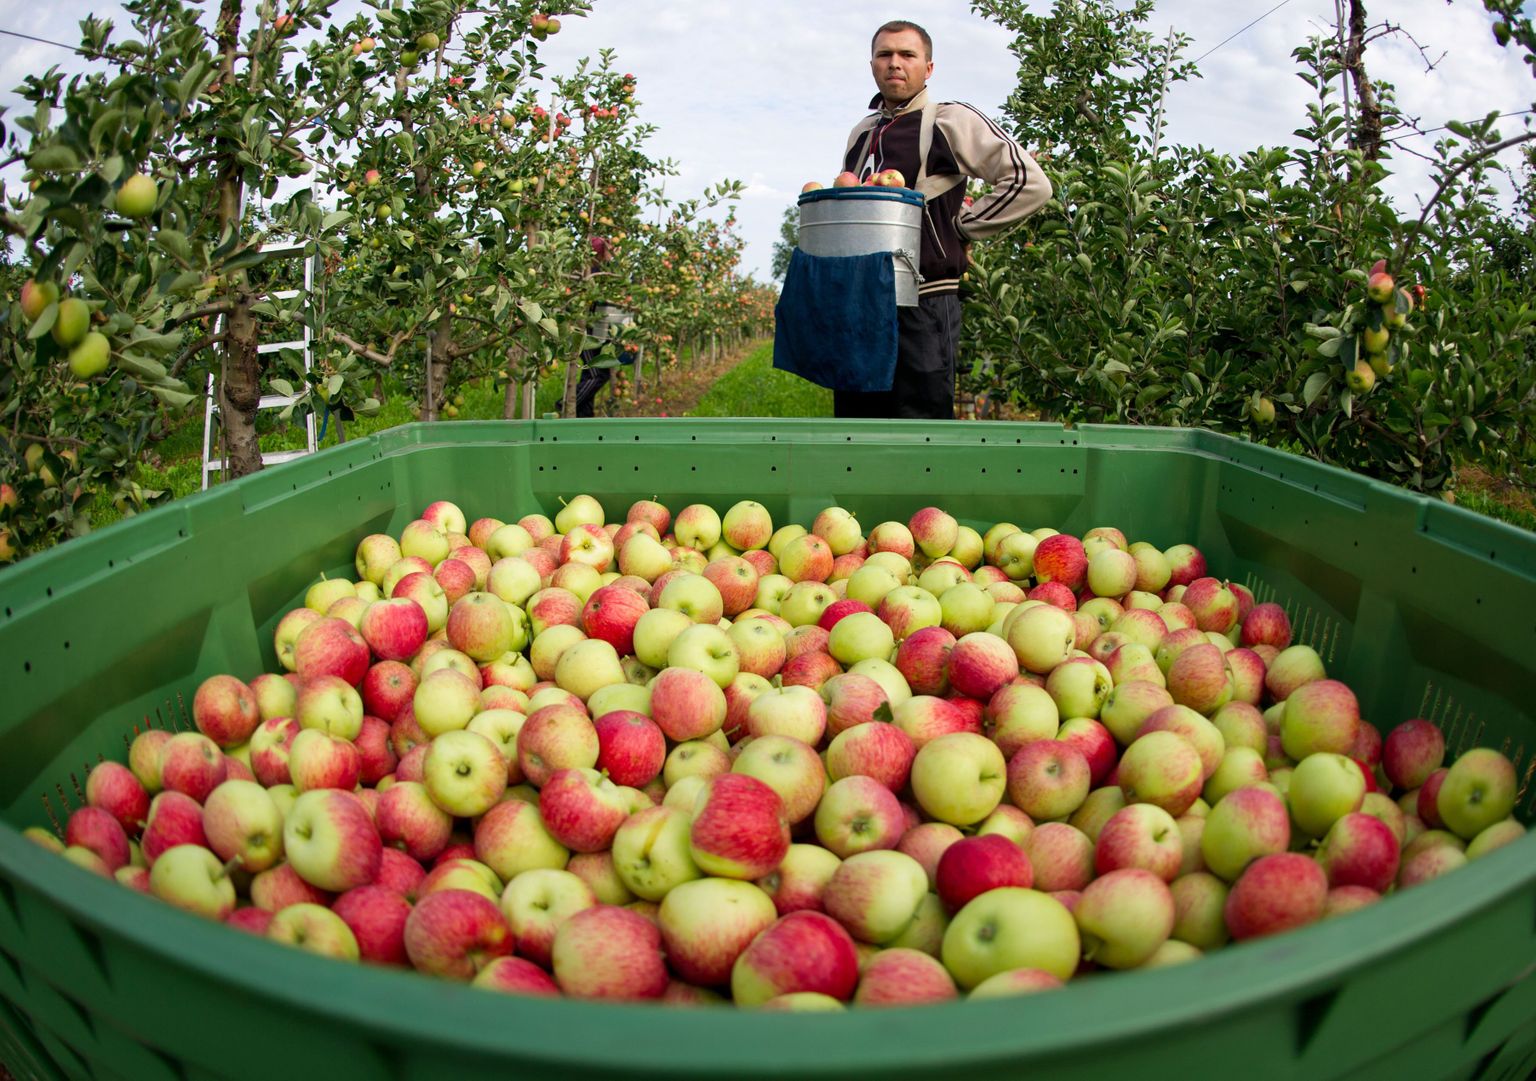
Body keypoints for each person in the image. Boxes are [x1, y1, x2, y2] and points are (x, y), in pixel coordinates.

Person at [833, 20, 1052, 420]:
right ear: (872, 65)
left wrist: (963, 227)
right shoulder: (862, 134)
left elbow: (1029, 183)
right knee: (856, 431)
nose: (894, 63)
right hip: (862, 306)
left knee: (921, 435)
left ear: (928, 68)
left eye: (907, 55)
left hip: (925, 302)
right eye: (885, 55)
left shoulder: (948, 121)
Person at [573, 236, 636, 418]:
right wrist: (609, 256)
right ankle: (565, 405)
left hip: (596, 331)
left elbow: (618, 281)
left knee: (592, 375)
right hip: (584, 333)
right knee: (596, 375)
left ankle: (584, 415)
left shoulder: (597, 272)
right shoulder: (591, 273)